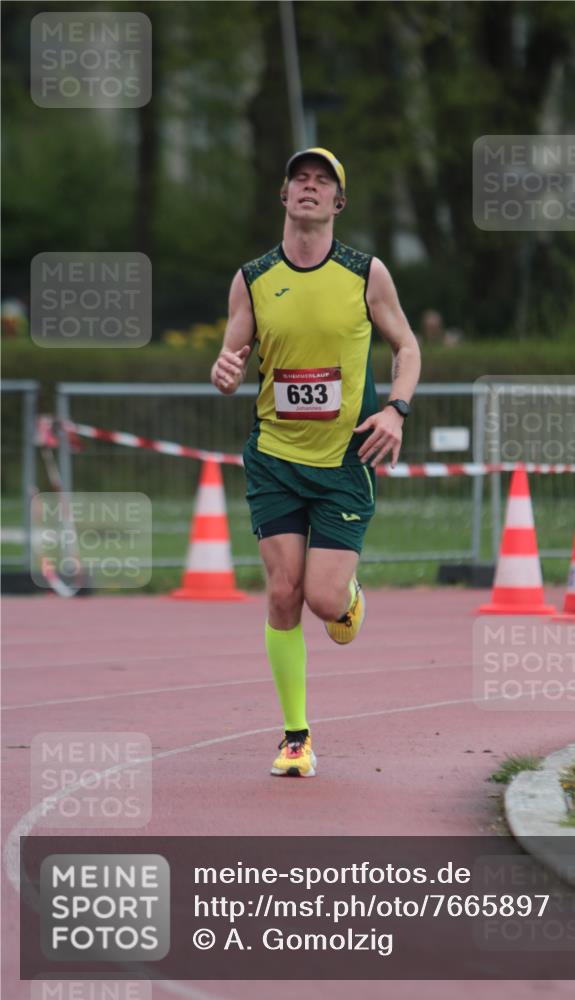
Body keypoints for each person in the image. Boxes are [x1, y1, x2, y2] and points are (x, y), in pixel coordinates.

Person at [211, 147, 421, 778]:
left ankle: (347, 594)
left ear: (338, 203)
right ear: (283, 197)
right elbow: (232, 357)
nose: (308, 188)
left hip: (343, 459)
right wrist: (224, 370)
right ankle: (296, 736)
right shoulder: (251, 279)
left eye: (322, 182)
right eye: (299, 179)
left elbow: (406, 345)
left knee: (324, 603)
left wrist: (396, 410)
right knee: (283, 593)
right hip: (275, 456)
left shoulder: (366, 274)